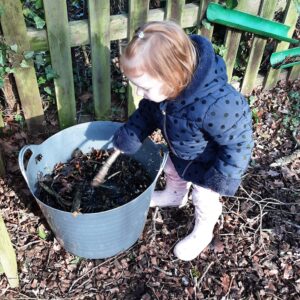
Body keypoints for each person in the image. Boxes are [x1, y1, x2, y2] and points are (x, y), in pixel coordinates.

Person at [112, 20, 254, 261]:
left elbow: (238, 142)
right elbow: (147, 113)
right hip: (181, 153)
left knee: (203, 198)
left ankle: (203, 231)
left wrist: (223, 177)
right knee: (171, 169)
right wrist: (130, 134)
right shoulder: (165, 92)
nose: (138, 93)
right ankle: (174, 196)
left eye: (143, 87)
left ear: (173, 77)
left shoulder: (219, 105)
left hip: (207, 165)